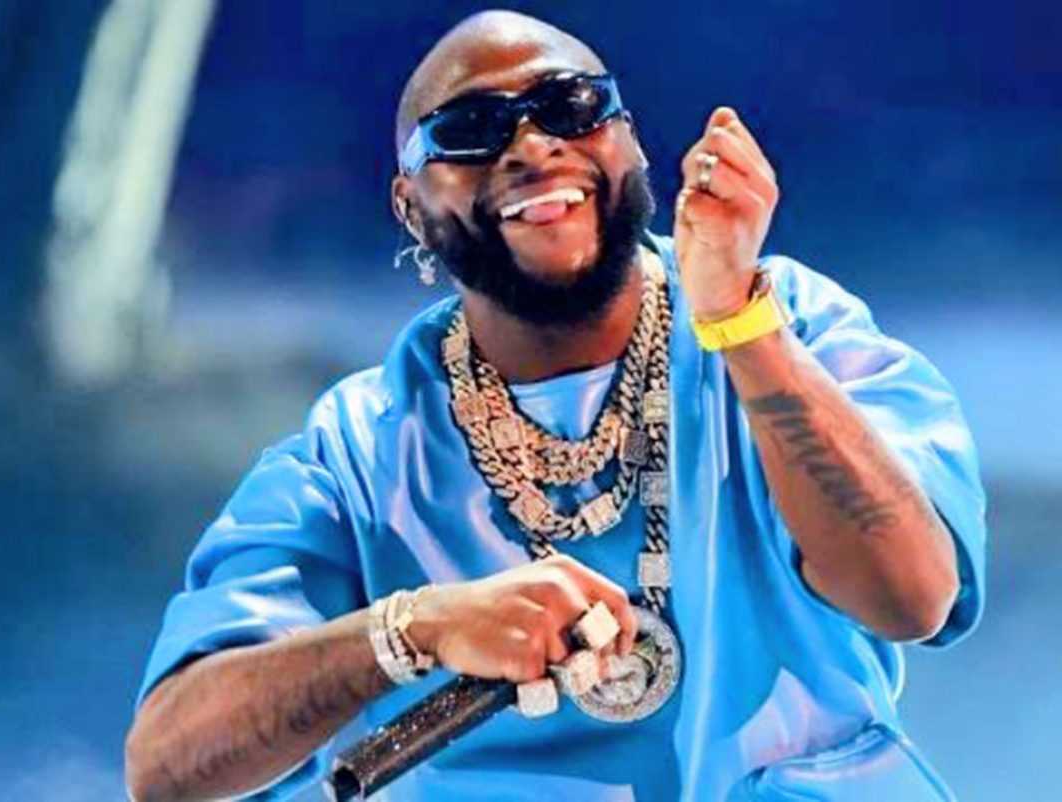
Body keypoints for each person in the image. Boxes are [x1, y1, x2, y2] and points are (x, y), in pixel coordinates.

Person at [124, 10, 986, 801]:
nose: (534, 145)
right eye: (469, 129)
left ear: (630, 142)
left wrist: (739, 324)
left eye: (571, 106)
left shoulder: (791, 325)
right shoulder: (358, 450)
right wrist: (415, 627)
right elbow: (167, 765)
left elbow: (913, 598)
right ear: (410, 207)